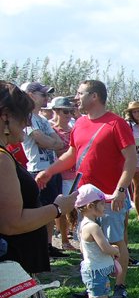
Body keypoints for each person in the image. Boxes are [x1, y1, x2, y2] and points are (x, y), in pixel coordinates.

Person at [0, 80, 109, 298]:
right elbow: (12, 222)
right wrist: (57, 208)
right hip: (11, 268)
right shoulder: (1, 159)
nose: (27, 127)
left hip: (14, 265)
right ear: (5, 117)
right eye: (24, 119)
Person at [36, 79, 137, 298]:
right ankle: (95, 285)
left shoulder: (116, 124)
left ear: (94, 96)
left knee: (116, 240)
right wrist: (49, 171)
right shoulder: (80, 123)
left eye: (80, 93)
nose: (76, 97)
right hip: (85, 197)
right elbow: (72, 155)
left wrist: (121, 189)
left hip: (110, 196)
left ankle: (119, 286)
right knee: (88, 241)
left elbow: (131, 159)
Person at [75, 185, 124, 298]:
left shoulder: (82, 225)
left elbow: (83, 249)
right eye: (102, 204)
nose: (105, 207)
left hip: (90, 270)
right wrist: (115, 249)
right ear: (90, 206)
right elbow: (105, 248)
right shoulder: (93, 227)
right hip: (98, 273)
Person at [20, 82, 66, 259]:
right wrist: (53, 143)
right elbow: (43, 141)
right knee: (41, 210)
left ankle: (47, 245)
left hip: (51, 168)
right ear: (30, 95)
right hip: (37, 170)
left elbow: (57, 142)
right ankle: (39, 247)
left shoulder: (43, 120)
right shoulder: (27, 118)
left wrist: (52, 143)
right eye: (43, 94)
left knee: (51, 208)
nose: (47, 98)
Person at [49, 97, 78, 251]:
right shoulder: (51, 130)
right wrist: (70, 152)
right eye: (65, 111)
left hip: (76, 173)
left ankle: (78, 235)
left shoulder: (74, 128)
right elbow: (56, 152)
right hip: (61, 175)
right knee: (63, 208)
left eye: (71, 111)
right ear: (56, 111)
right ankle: (64, 240)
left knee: (79, 205)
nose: (69, 114)